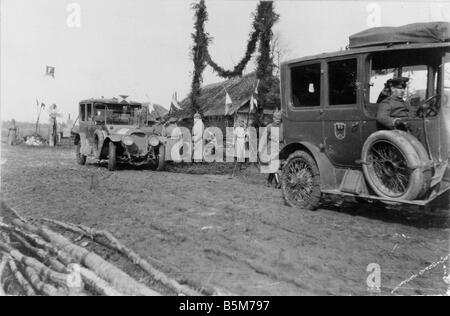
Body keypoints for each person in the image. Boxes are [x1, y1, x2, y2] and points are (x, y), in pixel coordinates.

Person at [265, 110, 283, 188]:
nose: (277, 120)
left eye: (279, 119)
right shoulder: (269, 126)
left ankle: (269, 181)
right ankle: (278, 183)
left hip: (280, 147)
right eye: (276, 118)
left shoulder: (283, 126)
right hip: (271, 146)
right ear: (273, 118)